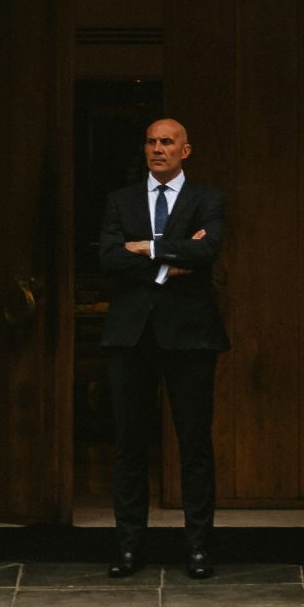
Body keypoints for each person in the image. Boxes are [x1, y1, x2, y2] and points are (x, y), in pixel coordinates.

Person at [98, 118, 228, 579]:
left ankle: (197, 548)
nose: (158, 149)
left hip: (190, 337)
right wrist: (170, 258)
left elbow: (207, 252)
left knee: (193, 445)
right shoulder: (121, 199)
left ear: (185, 151)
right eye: (151, 141)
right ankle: (129, 548)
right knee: (130, 447)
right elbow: (108, 257)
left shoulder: (207, 200)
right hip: (131, 337)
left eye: (167, 142)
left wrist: (145, 248)